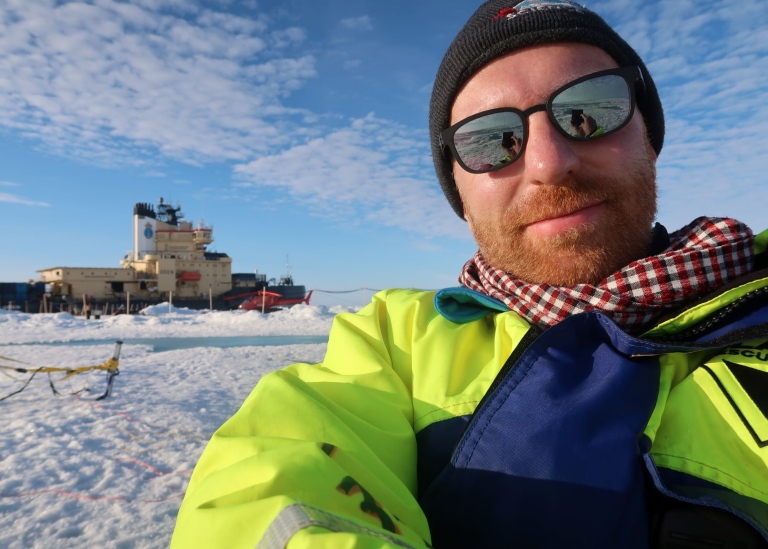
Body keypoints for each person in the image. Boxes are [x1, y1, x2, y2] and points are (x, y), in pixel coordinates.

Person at [171, 1, 768, 547]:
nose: (548, 164)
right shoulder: (396, 340)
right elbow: (268, 483)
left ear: (648, 133)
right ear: (457, 186)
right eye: (491, 141)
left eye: (589, 111)